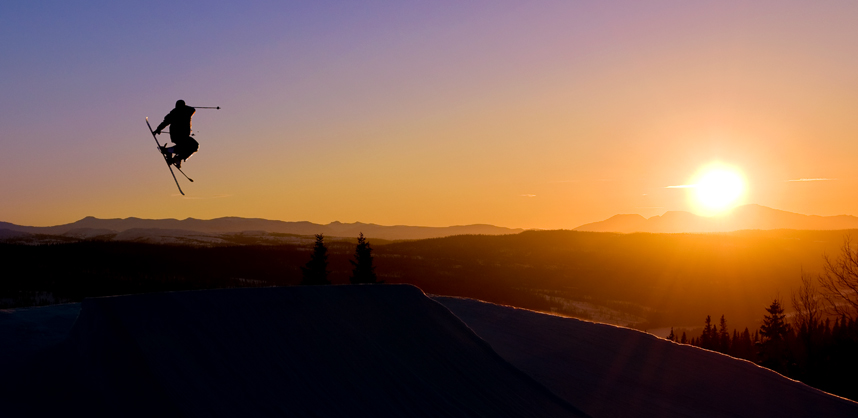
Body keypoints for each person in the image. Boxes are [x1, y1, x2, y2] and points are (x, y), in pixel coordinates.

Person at [153, 100, 199, 169]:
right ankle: (173, 154)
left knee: (187, 147)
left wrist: (158, 129)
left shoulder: (180, 112)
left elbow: (165, 122)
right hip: (178, 135)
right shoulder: (179, 112)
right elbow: (165, 122)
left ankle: (172, 154)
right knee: (194, 146)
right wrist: (158, 129)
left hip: (180, 136)